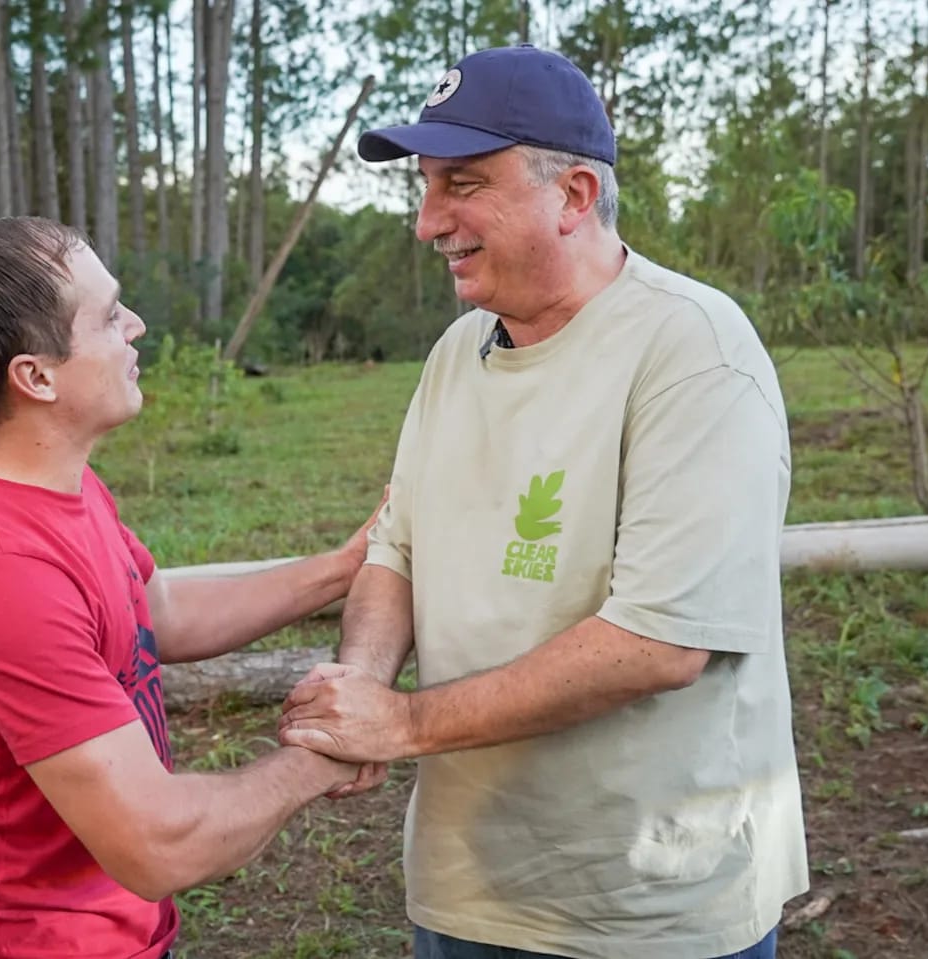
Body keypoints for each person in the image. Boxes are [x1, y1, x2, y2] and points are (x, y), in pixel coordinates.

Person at [279, 45, 809, 959]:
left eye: (462, 185)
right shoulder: (457, 352)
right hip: (464, 884)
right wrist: (364, 678)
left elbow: (660, 640)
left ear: (571, 195)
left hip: (646, 906)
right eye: (426, 186)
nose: (427, 221)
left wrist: (401, 722)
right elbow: (395, 549)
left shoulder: (693, 351)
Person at [0, 216, 373, 959]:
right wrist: (321, 756)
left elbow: (159, 615)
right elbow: (158, 843)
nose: (137, 325)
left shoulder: (53, 484)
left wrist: (342, 567)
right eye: (110, 314)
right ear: (37, 376)